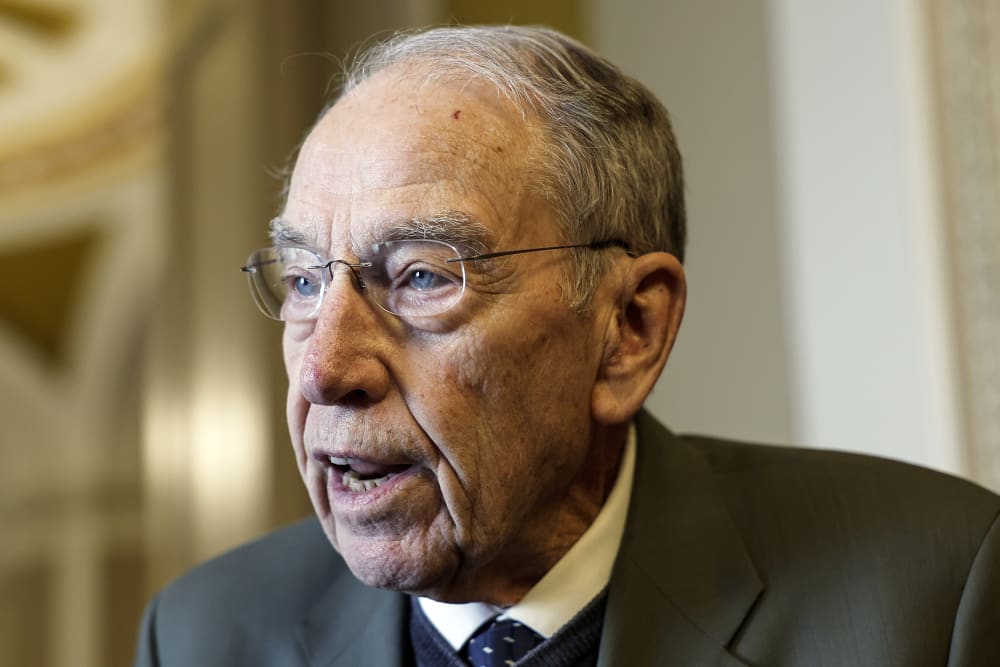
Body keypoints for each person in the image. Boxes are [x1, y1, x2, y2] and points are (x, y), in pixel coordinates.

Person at [134, 25, 999, 667]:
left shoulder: (932, 595)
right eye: (305, 282)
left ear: (631, 330)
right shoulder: (204, 634)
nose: (326, 369)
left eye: (423, 277)